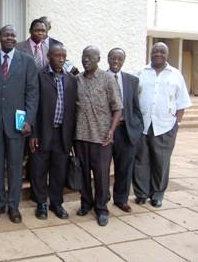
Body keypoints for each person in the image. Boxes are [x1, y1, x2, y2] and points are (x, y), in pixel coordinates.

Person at [0, 25, 39, 223]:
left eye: (13, 35)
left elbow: (32, 94)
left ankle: (13, 206)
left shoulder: (28, 62)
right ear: (0, 38)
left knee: (15, 167)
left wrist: (29, 120)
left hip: (17, 125)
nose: (10, 38)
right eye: (6, 34)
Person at [133, 42, 191, 208]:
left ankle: (157, 195)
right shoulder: (141, 73)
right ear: (150, 53)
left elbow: (182, 103)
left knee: (161, 162)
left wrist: (176, 124)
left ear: (167, 55)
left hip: (165, 126)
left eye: (162, 52)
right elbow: (134, 99)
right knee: (141, 161)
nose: (158, 54)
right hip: (143, 126)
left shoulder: (175, 75)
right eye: (155, 51)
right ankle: (141, 193)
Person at [74, 45, 122, 227]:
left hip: (102, 137)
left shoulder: (108, 79)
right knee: (83, 172)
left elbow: (117, 107)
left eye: (90, 57)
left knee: (101, 175)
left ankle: (101, 208)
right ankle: (86, 202)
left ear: (98, 59)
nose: (86, 60)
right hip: (80, 136)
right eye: (84, 57)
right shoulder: (76, 79)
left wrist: (111, 130)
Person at [29, 44, 77, 220]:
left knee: (59, 170)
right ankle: (41, 203)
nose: (61, 59)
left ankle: (56, 203)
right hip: (42, 132)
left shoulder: (71, 79)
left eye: (64, 56)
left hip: (62, 134)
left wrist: (72, 138)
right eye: (57, 55)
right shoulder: (39, 76)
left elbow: (73, 110)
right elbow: (32, 104)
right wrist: (32, 133)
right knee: (39, 170)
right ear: (49, 56)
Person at [107, 48, 143, 213]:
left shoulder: (132, 81)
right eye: (113, 58)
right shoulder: (100, 77)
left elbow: (136, 107)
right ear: (107, 59)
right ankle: (101, 199)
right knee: (102, 167)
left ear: (123, 61)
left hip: (126, 131)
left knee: (124, 167)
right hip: (105, 131)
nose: (116, 62)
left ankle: (121, 199)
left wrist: (137, 127)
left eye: (119, 59)